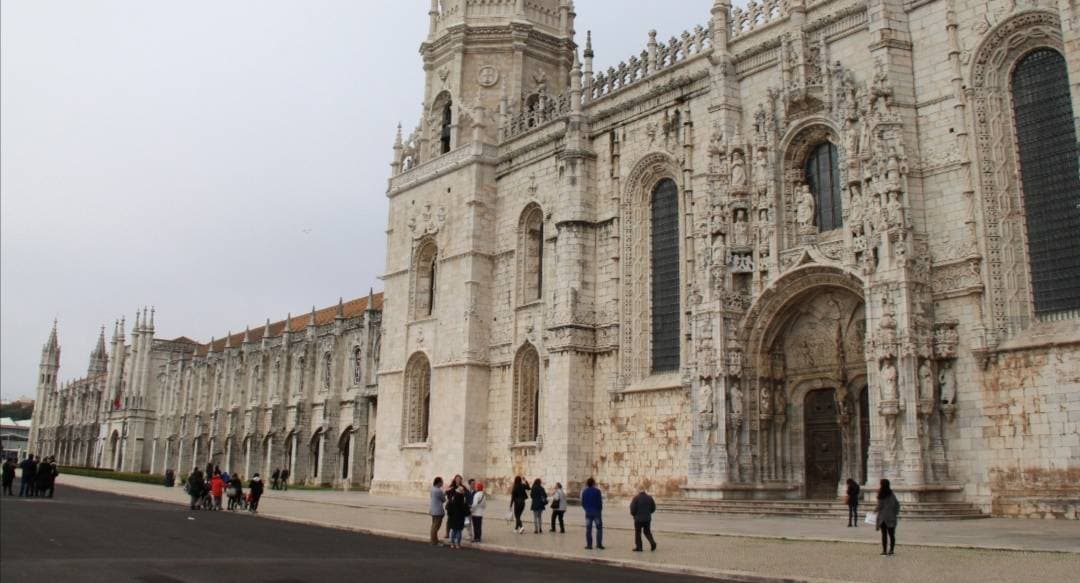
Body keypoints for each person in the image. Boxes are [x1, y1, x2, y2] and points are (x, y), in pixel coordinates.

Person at [874, 478, 901, 555]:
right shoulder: (891, 494)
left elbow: (879, 506)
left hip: (883, 517)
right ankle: (891, 550)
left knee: (884, 534)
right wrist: (895, 513)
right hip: (891, 516)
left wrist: (874, 511)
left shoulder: (880, 494)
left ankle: (884, 550)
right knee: (891, 534)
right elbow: (897, 504)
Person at [629, 486, 657, 552]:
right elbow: (653, 508)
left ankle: (639, 547)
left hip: (638, 519)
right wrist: (649, 513)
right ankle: (653, 543)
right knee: (647, 532)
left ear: (638, 490)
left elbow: (632, 509)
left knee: (638, 533)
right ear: (644, 490)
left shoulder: (636, 498)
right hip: (647, 519)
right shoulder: (650, 498)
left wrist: (634, 515)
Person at [581, 477, 604, 550]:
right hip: (596, 512)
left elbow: (583, 503)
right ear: (593, 483)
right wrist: (599, 510)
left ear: (587, 484)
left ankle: (589, 545)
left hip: (588, 512)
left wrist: (586, 509)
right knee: (599, 528)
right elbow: (600, 502)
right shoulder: (597, 491)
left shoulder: (584, 492)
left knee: (588, 529)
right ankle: (599, 544)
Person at [446, 479, 469, 549]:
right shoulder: (463, 501)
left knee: (453, 530)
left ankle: (452, 543)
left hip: (453, 517)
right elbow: (466, 511)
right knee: (459, 531)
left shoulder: (453, 499)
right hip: (460, 518)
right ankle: (458, 544)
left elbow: (449, 508)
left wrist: (450, 515)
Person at [429, 476, 446, 545]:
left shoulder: (432, 489)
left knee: (433, 525)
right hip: (438, 510)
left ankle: (434, 539)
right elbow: (443, 500)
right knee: (436, 526)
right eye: (442, 482)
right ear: (438, 483)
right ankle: (434, 541)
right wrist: (444, 494)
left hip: (433, 510)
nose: (442, 483)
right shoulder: (438, 490)